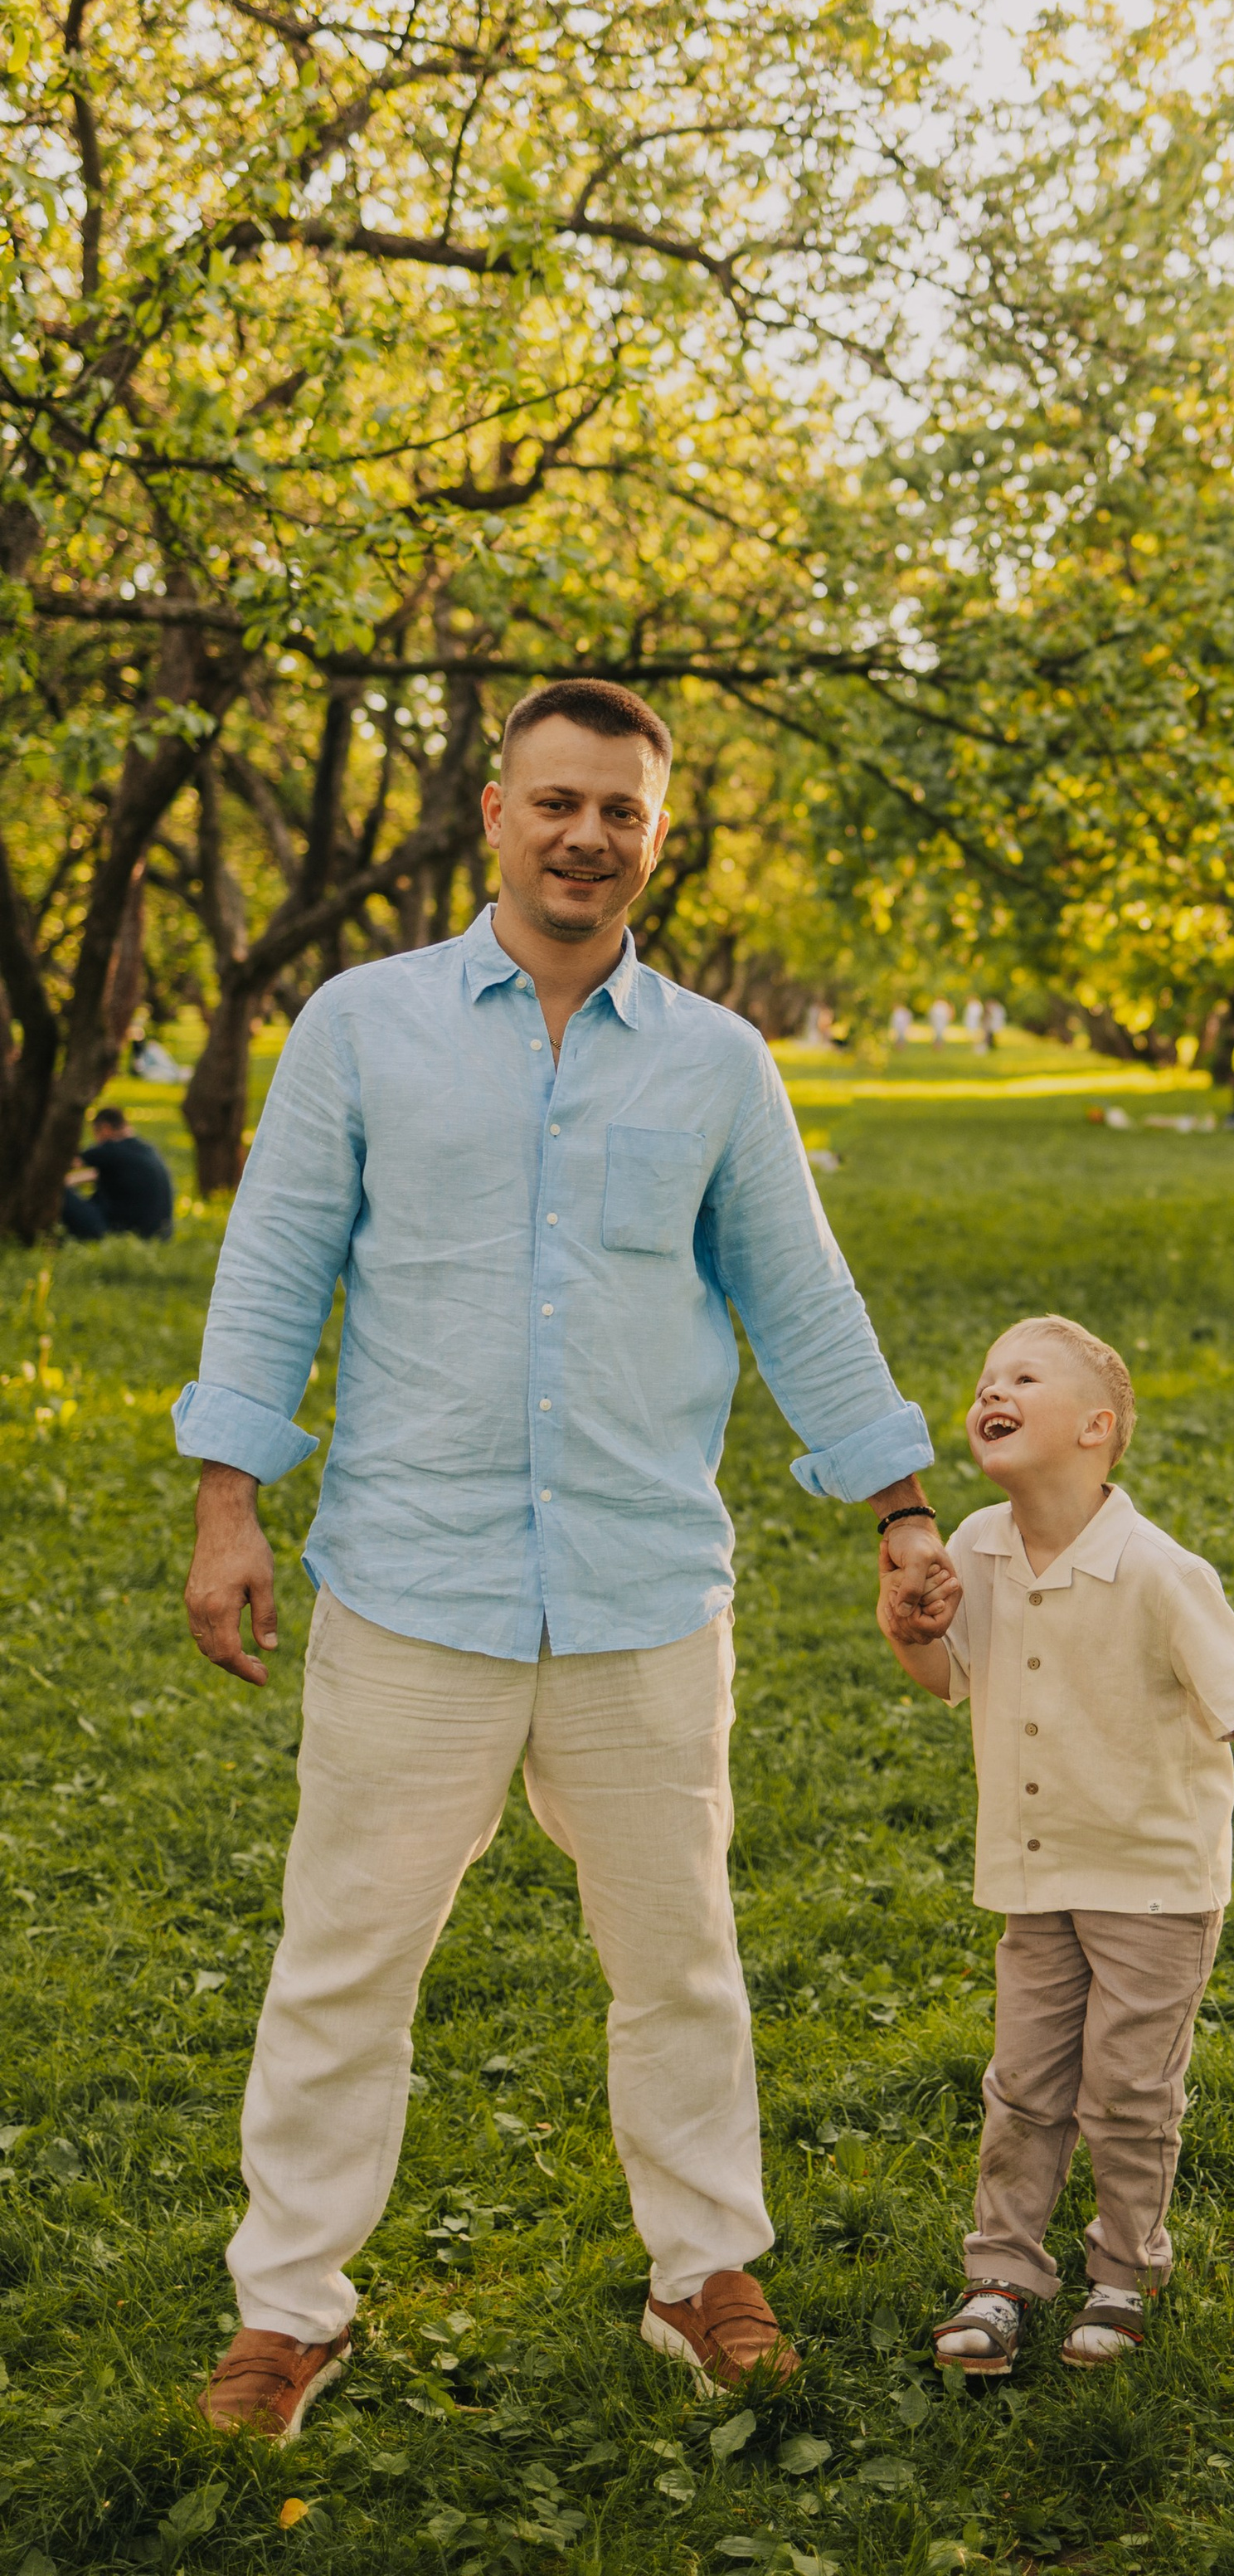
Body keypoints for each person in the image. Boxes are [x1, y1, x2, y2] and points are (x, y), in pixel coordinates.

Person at [174, 677, 958, 2444]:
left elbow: (802, 1298)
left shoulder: (714, 1061)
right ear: (494, 812)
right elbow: (276, 1267)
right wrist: (230, 1502)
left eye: (622, 811)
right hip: (412, 1586)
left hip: (635, 1597)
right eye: (557, 802)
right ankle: (289, 2308)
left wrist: (899, 1511)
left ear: (654, 841)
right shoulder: (360, 1028)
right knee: (343, 1962)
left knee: (678, 1959)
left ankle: (701, 2272)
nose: (587, 835)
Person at [877, 1316, 1234, 2376]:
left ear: (1096, 1428)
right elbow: (948, 1673)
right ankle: (1002, 2275)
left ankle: (1123, 2273)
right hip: (1036, 1868)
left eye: (1021, 1376)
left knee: (1127, 2091)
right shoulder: (972, 1545)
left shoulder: (1158, 1571)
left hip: (1154, 1882)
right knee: (1024, 2083)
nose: (988, 1392)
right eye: (982, 1379)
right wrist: (906, 1627)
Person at [61, 1107, 175, 1241]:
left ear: (105, 1129)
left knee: (57, 1190)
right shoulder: (147, 1150)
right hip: (160, 1234)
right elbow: (96, 1174)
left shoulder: (110, 1149)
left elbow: (68, 1164)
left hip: (118, 1230)